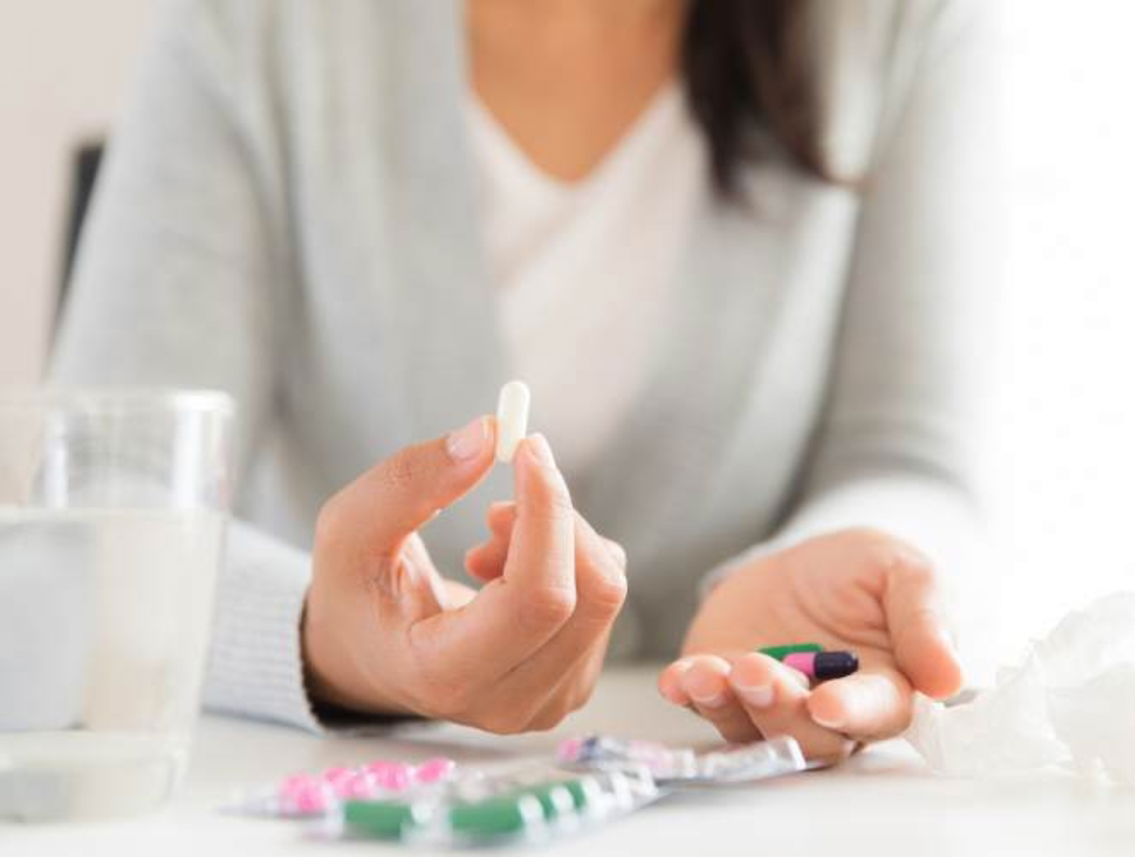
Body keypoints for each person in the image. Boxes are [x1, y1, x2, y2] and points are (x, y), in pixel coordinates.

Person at [52, 0, 997, 762]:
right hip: (329, 778)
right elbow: (100, 495)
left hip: (724, 787)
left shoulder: (897, 22)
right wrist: (327, 640)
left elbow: (907, 453)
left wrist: (837, 572)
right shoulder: (254, 25)